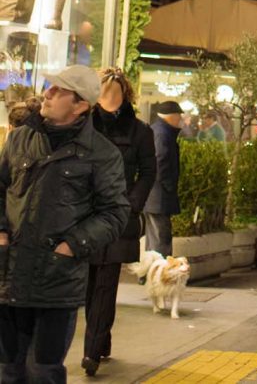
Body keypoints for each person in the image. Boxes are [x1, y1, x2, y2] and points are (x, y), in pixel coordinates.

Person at [0, 65, 129, 382]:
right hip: (8, 275)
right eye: (50, 86)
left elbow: (115, 212)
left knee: (43, 372)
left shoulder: (101, 154)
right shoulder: (19, 140)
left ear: (81, 104)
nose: (48, 93)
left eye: (59, 90)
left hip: (56, 281)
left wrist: (71, 246)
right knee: (7, 370)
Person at [81, 69, 156, 376]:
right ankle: (102, 338)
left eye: (115, 90)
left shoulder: (139, 131)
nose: (109, 96)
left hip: (117, 214)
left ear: (125, 93)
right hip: (84, 214)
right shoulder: (84, 123)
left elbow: (148, 173)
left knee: (106, 282)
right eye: (103, 90)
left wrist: (130, 204)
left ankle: (91, 351)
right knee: (88, 282)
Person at [144, 101, 184, 257]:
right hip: (158, 196)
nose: (180, 119)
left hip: (155, 195)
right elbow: (159, 162)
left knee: (155, 237)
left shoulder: (158, 131)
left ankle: (151, 273)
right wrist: (168, 186)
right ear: (171, 116)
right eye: (179, 115)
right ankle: (159, 276)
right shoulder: (161, 133)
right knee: (160, 237)